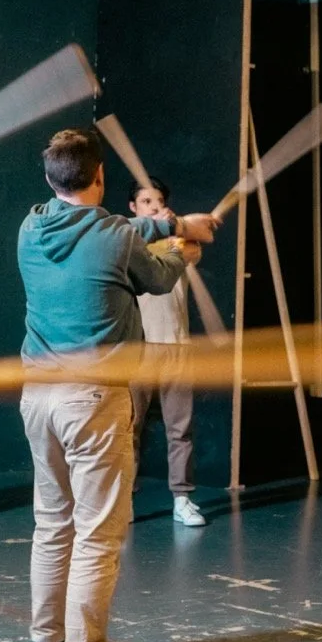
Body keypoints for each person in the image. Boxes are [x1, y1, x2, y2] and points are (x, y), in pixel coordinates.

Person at [17, 128, 219, 642]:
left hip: (38, 397)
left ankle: (46, 638)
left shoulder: (30, 227)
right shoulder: (117, 237)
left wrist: (167, 222)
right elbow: (154, 274)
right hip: (93, 399)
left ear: (48, 179)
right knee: (97, 536)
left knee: (52, 524)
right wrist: (181, 248)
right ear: (101, 178)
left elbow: (122, 229)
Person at [126, 177, 203, 527]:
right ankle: (123, 499)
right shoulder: (127, 241)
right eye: (146, 202)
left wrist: (182, 226)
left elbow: (195, 245)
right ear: (134, 208)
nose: (153, 207)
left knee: (180, 429)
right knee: (129, 429)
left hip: (176, 346)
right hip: (138, 348)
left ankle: (182, 499)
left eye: (158, 201)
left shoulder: (178, 240)